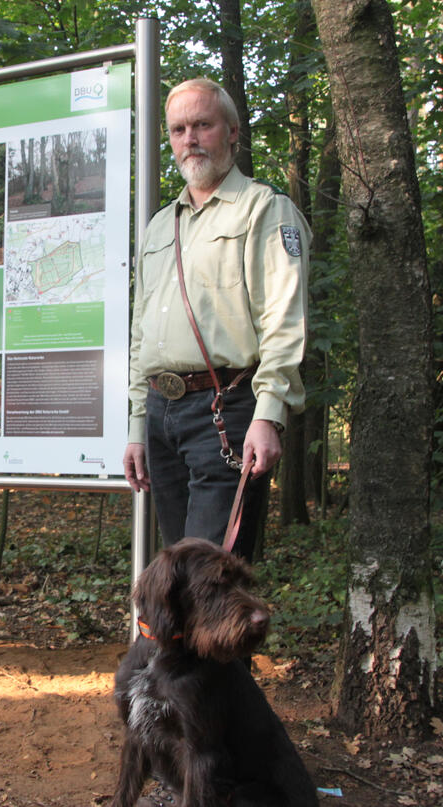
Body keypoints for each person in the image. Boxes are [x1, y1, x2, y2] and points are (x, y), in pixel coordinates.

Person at [123, 78, 309, 561]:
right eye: (179, 129)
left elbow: (283, 322)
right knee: (178, 575)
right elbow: (141, 332)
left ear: (231, 131)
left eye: (202, 124)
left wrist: (269, 415)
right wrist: (137, 426)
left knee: (211, 578)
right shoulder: (161, 226)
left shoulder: (265, 210)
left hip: (226, 412)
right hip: (162, 418)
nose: (190, 138)